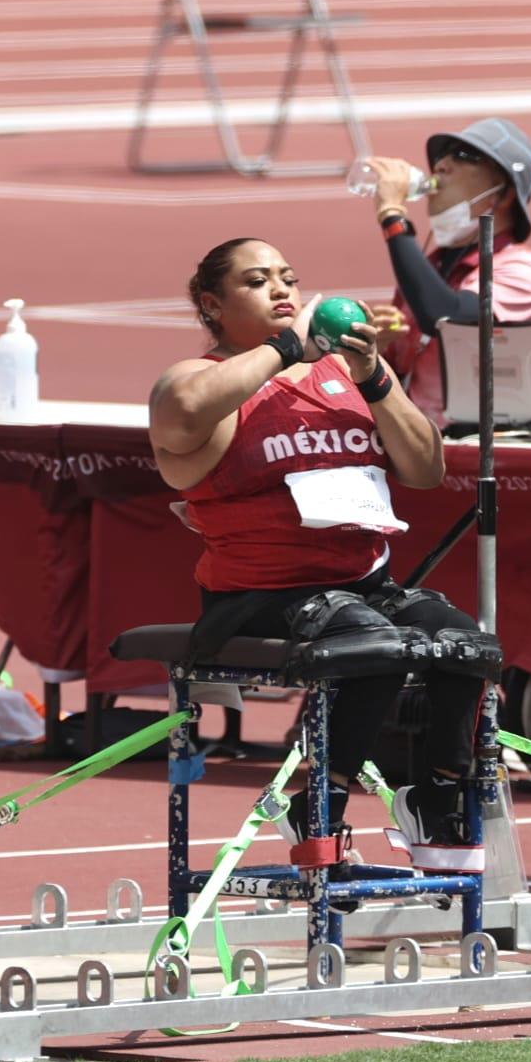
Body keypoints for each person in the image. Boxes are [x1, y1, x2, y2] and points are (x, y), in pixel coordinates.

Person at [147, 237, 485, 872]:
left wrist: (378, 379)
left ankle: (436, 798)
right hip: (259, 596)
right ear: (212, 304)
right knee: (371, 646)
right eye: (257, 281)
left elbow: (425, 468)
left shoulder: (341, 379)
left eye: (288, 277)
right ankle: (319, 802)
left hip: (362, 587)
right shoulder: (196, 382)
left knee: (462, 641)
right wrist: (283, 350)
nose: (281, 289)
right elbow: (184, 415)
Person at [356, 118, 531, 427]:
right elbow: (399, 378)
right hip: (418, 449)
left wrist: (392, 216)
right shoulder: (431, 267)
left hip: (488, 451)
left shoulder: (525, 270)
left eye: (463, 156)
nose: (441, 166)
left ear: (502, 195)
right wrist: (376, 351)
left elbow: (446, 317)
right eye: (442, 156)